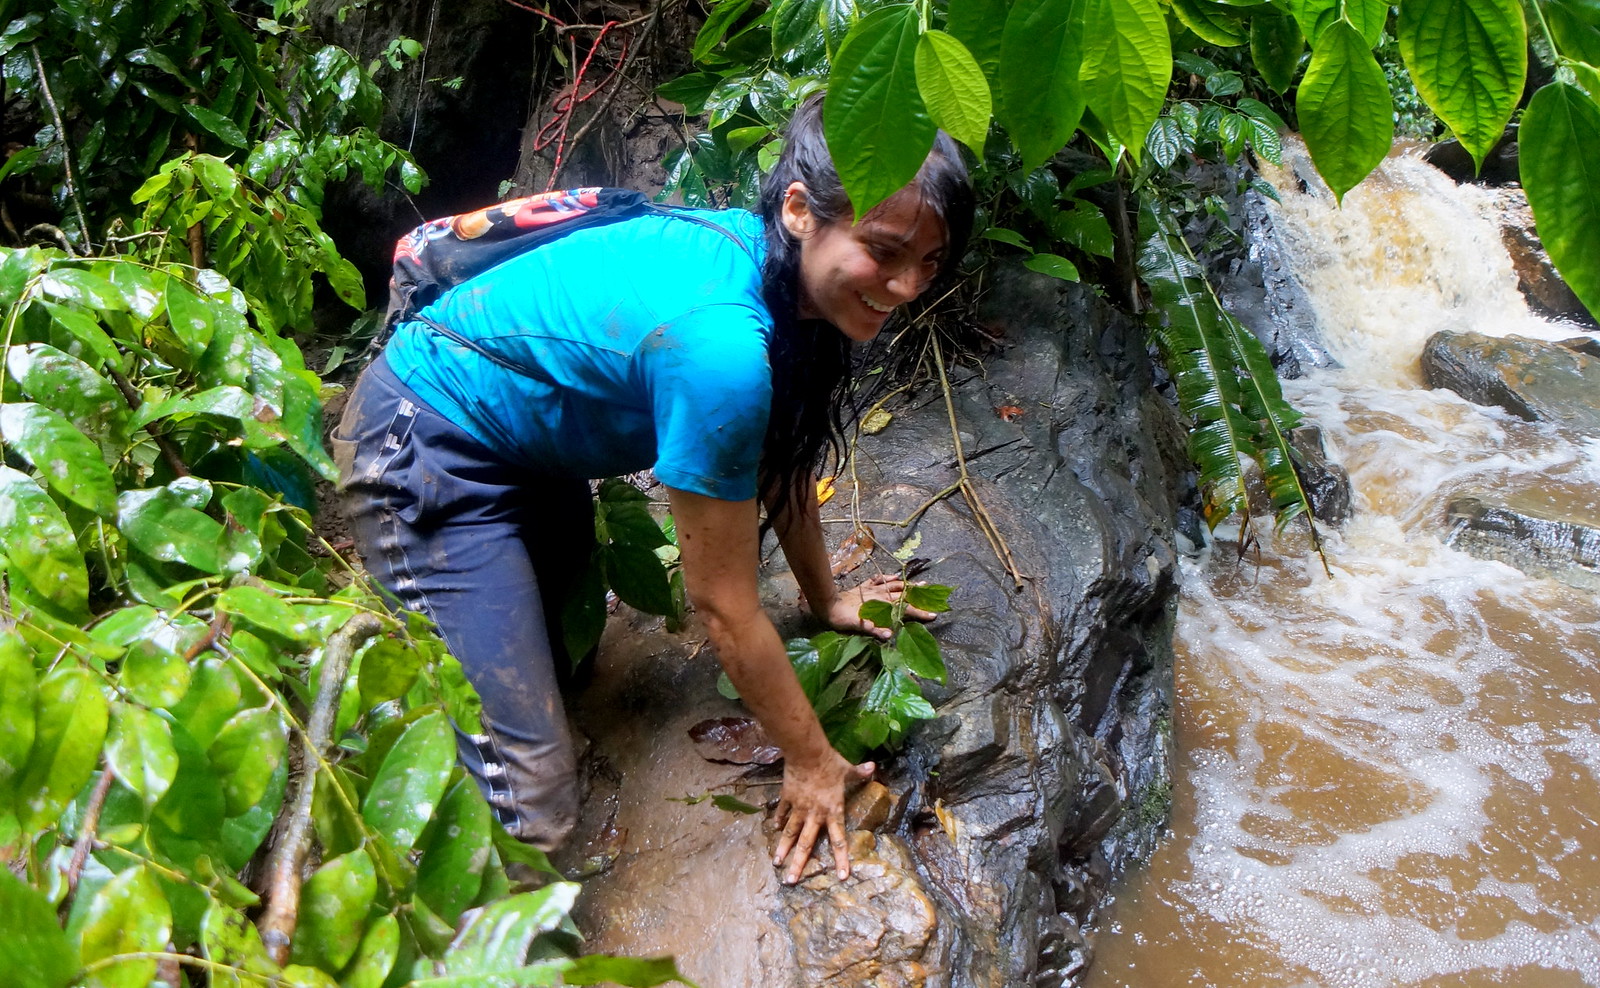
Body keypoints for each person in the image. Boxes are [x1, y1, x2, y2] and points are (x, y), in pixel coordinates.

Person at [332, 94, 973, 884]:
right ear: (802, 212)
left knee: (573, 667)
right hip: (426, 445)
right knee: (532, 802)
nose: (909, 286)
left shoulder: (776, 272)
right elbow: (723, 604)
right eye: (885, 251)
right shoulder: (722, 347)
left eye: (930, 262)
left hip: (527, 453)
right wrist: (811, 761)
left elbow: (783, 461)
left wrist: (826, 600)